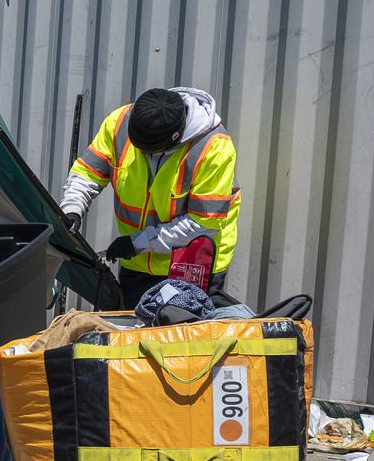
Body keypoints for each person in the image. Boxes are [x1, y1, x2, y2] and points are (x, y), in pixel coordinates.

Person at [61, 86, 241, 309]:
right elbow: (88, 172)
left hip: (190, 262)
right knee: (135, 333)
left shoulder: (213, 148)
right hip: (138, 263)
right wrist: (72, 207)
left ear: (172, 141)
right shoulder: (120, 124)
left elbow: (202, 223)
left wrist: (138, 242)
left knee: (180, 337)